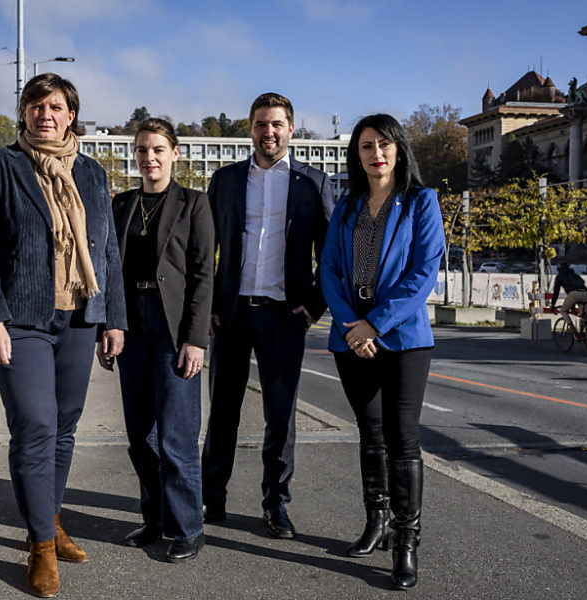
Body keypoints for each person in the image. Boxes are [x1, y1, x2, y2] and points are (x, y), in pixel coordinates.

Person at [0, 72, 126, 598]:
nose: (45, 114)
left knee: (64, 428)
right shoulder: (0, 167)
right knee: (35, 424)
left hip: (79, 315)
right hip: (22, 318)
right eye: (35, 105)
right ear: (24, 113)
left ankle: (50, 521)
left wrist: (113, 318)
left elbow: (107, 249)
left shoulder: (92, 173)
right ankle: (40, 546)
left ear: (71, 114)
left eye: (55, 107)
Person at [319, 113, 445, 589]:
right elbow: (329, 270)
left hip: (403, 339)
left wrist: (376, 324)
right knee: (370, 434)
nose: (377, 153)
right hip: (352, 337)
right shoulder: (347, 206)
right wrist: (352, 327)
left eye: (385, 144)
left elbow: (424, 271)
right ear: (357, 155)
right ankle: (377, 521)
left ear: (399, 149)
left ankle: (406, 539)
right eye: (367, 146)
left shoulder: (420, 201)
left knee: (402, 437)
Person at [201, 93, 333, 538]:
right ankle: (211, 498)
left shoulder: (313, 183)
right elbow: (205, 249)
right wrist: (208, 307)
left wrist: (314, 305)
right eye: (261, 124)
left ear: (291, 129)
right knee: (223, 412)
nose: (268, 132)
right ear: (251, 129)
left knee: (280, 416)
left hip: (283, 316)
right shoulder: (225, 180)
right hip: (231, 314)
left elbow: (331, 254)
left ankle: (276, 504)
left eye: (277, 124)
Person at [105, 119, 214, 562]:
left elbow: (204, 275)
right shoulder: (122, 203)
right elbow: (110, 271)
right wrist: (109, 325)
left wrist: (195, 339)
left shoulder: (194, 203)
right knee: (140, 435)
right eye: (142, 150)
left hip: (173, 327)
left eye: (157, 150)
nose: (149, 158)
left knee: (176, 435)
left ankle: (188, 528)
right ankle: (155, 518)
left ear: (174, 153)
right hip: (131, 323)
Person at [550, 262, 587, 327]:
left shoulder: (560, 276)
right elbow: (582, 282)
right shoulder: (575, 275)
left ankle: (572, 328)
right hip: (585, 293)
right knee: (584, 317)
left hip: (574, 294)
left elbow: (556, 292)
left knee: (563, 311)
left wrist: (552, 305)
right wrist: (572, 306)